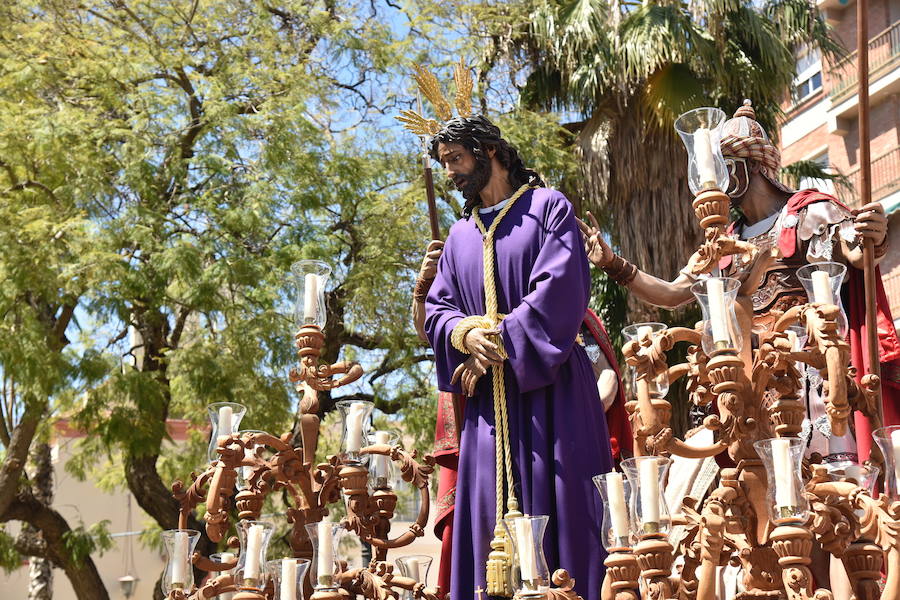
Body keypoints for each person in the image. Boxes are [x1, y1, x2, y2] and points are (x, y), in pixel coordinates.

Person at [578, 100, 899, 464]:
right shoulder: (725, 243)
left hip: (810, 375)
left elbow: (857, 253)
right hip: (750, 385)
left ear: (751, 166)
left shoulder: (811, 212)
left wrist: (874, 234)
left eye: (722, 168)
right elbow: (672, 294)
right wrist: (612, 263)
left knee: (825, 484)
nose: (714, 182)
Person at [421, 113, 613, 600]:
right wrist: (465, 334)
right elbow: (437, 310)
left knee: (566, 512)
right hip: (487, 408)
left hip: (554, 394)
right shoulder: (459, 237)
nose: (450, 173)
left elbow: (561, 288)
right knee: (487, 523)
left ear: (489, 152)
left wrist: (502, 338)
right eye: (443, 164)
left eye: (456, 159)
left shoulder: (548, 208)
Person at [412, 242, 632, 595]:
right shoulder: (478, 317)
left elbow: (604, 374)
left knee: (569, 534)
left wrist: (580, 410)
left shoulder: (576, 314)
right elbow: (431, 334)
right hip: (494, 431)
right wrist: (425, 287)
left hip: (561, 433)